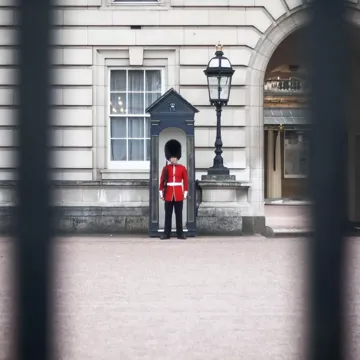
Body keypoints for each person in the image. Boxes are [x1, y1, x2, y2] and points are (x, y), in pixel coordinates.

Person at [159, 150, 188, 240]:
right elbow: (162, 181)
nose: (173, 159)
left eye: (175, 157)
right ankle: (166, 233)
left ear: (177, 158)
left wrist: (185, 193)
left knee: (179, 215)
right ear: (169, 158)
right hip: (168, 193)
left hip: (179, 193)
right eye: (171, 158)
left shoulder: (182, 168)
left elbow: (186, 181)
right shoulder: (166, 168)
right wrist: (161, 193)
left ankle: (180, 233)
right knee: (168, 215)